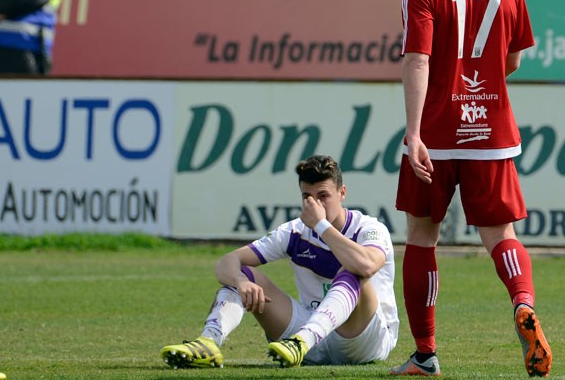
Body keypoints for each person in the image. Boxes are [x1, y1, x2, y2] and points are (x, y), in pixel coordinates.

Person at [390, 0, 552, 377]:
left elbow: (417, 58)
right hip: (492, 131)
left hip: (437, 132)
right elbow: (514, 60)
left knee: (422, 235)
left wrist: (413, 133)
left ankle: (425, 354)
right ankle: (522, 303)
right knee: (501, 233)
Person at [160, 155, 398, 369]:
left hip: (363, 339)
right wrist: (240, 281)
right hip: (309, 337)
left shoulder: (370, 228)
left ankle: (302, 341)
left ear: (342, 193)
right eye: (308, 197)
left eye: (323, 196)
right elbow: (227, 261)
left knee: (353, 270)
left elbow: (366, 265)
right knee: (243, 271)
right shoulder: (294, 231)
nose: (315, 205)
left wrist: (321, 225)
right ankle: (208, 343)